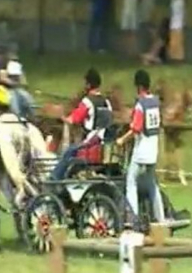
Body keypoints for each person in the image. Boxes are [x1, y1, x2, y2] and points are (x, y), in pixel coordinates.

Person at [115, 69, 165, 226]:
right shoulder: (156, 102)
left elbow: (136, 128)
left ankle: (132, 218)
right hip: (153, 148)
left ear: (138, 86)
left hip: (141, 150)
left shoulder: (140, 105)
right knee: (152, 184)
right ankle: (160, 217)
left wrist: (122, 140)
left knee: (131, 181)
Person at [50, 68, 113, 180]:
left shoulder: (87, 101)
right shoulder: (107, 102)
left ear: (88, 84)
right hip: (104, 146)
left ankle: (54, 178)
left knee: (68, 152)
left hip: (90, 145)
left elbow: (73, 119)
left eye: (85, 83)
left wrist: (62, 116)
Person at [3, 48, 36, 120]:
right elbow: (3, 78)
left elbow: (22, 77)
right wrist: (13, 83)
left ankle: (32, 117)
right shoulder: (4, 66)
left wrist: (24, 83)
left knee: (29, 101)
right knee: (15, 104)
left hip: (19, 88)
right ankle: (18, 117)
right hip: (9, 89)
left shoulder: (18, 65)